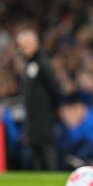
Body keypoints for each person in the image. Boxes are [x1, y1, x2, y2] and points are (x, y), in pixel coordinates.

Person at [16, 30, 61, 170]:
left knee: (46, 147)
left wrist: (53, 109)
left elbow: (54, 88)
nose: (22, 49)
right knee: (35, 148)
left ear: (34, 44)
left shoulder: (42, 64)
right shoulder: (29, 65)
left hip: (44, 115)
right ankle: (39, 176)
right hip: (32, 116)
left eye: (24, 46)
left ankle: (52, 175)